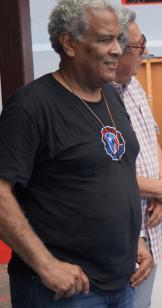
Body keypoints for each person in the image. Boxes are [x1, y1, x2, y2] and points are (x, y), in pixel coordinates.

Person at [0, 0, 153, 306]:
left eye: (119, 40)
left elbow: (112, 174)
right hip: (64, 290)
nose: (117, 50)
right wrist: (46, 264)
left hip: (121, 281)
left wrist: (133, 239)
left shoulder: (111, 94)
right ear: (69, 44)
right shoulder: (32, 106)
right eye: (105, 39)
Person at [113, 7, 162, 308]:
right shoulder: (95, 96)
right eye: (139, 46)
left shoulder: (135, 86)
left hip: (150, 224)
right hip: (119, 231)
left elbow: (151, 142)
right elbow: (104, 170)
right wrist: (159, 189)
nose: (145, 51)